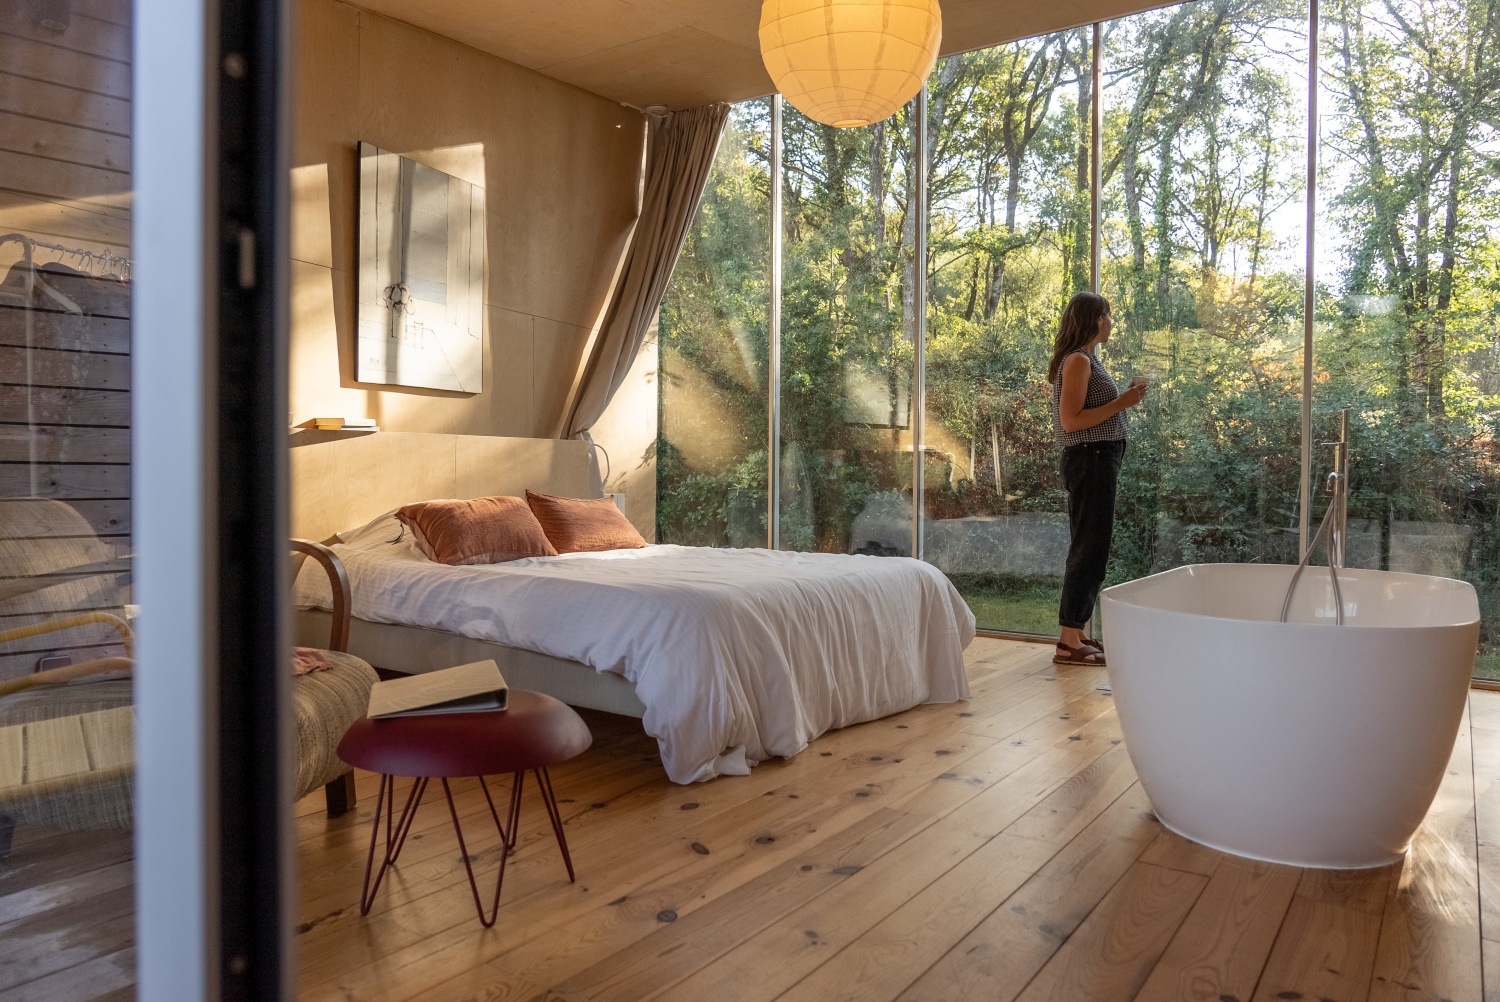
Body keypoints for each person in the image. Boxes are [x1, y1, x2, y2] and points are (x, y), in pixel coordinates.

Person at [1048, 292, 1146, 666]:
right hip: (1091, 459)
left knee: (1091, 548)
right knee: (1088, 550)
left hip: (1099, 459)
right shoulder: (1077, 361)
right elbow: (1071, 421)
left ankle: (1078, 635)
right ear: (1093, 320)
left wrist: (1124, 399)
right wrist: (1122, 402)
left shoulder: (1087, 359)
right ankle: (1068, 640)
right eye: (1107, 314)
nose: (1111, 321)